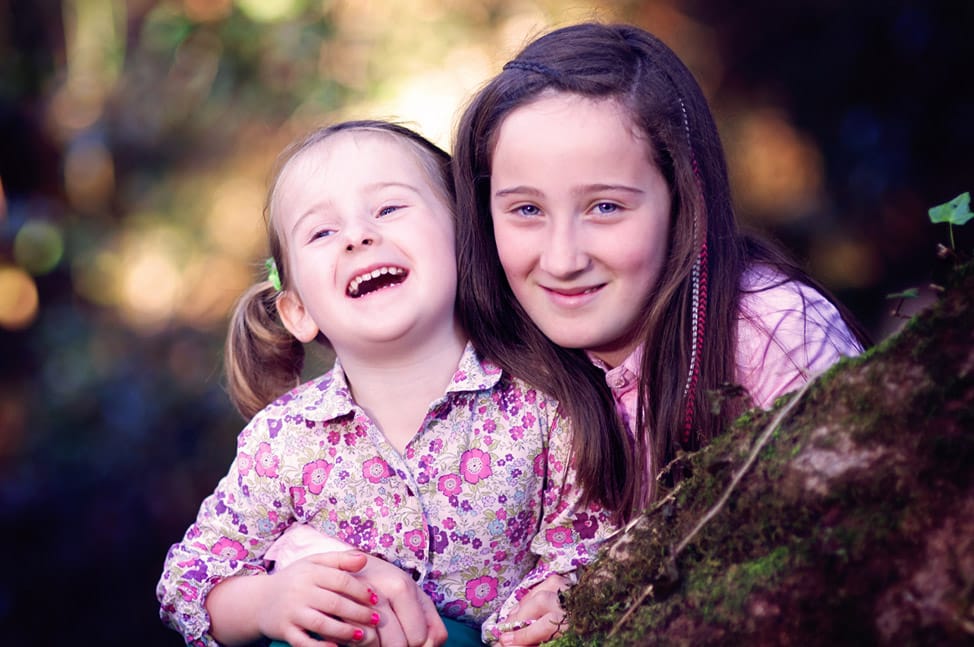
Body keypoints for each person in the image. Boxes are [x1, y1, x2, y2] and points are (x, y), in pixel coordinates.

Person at [156, 120, 620, 647]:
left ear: (466, 240)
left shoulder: (545, 406)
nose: (358, 236)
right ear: (299, 310)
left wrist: (561, 588)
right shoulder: (283, 443)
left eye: (388, 209)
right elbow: (186, 584)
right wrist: (268, 601)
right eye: (322, 232)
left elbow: (597, 539)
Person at [453, 21, 870, 528]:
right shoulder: (492, 368)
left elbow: (865, 531)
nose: (562, 260)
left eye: (605, 207)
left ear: (681, 200)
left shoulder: (770, 333)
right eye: (526, 210)